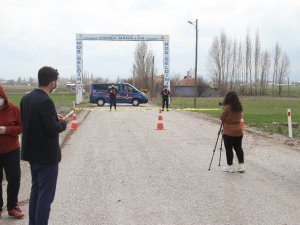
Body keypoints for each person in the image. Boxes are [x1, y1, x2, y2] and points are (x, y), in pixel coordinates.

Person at [20, 66, 69, 225]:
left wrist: (54, 116)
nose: (56, 84)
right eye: (56, 81)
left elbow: (34, 121)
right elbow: (53, 129)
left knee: (36, 193)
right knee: (45, 198)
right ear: (52, 82)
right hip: (46, 158)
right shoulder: (46, 101)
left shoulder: (26, 98)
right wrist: (63, 123)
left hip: (32, 155)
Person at [0, 85, 24, 218]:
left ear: (3, 97)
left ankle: (12, 206)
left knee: (14, 179)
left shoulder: (14, 109)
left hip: (12, 150)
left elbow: (21, 127)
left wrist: (6, 130)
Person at [220, 91, 245, 173]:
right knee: (238, 148)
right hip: (239, 131)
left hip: (228, 132)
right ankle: (241, 166)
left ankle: (230, 167)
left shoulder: (227, 108)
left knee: (229, 149)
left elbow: (222, 118)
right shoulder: (240, 107)